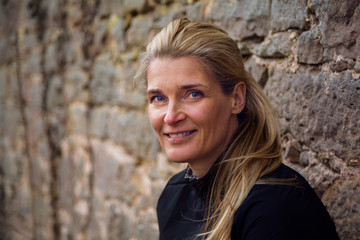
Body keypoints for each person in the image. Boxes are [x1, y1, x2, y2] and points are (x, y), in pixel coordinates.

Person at [135, 18, 340, 240]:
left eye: (193, 94)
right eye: (158, 98)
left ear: (236, 98)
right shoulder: (173, 196)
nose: (171, 116)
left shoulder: (275, 208)